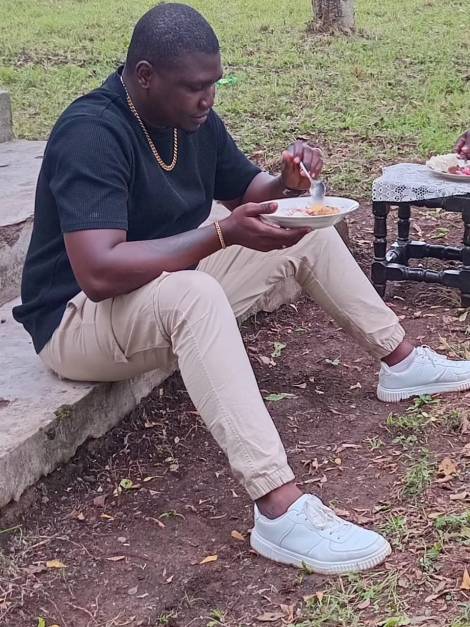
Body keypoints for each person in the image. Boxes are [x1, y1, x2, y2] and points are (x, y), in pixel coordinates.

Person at [13, 3, 470, 575]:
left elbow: (249, 193)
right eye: (195, 87)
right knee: (195, 295)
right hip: (77, 319)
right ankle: (278, 508)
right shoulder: (93, 133)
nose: (208, 98)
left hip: (155, 291)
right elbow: (99, 272)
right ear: (145, 75)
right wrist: (221, 234)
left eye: (214, 84)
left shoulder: (189, 119)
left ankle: (401, 363)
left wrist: (287, 182)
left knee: (302, 225)